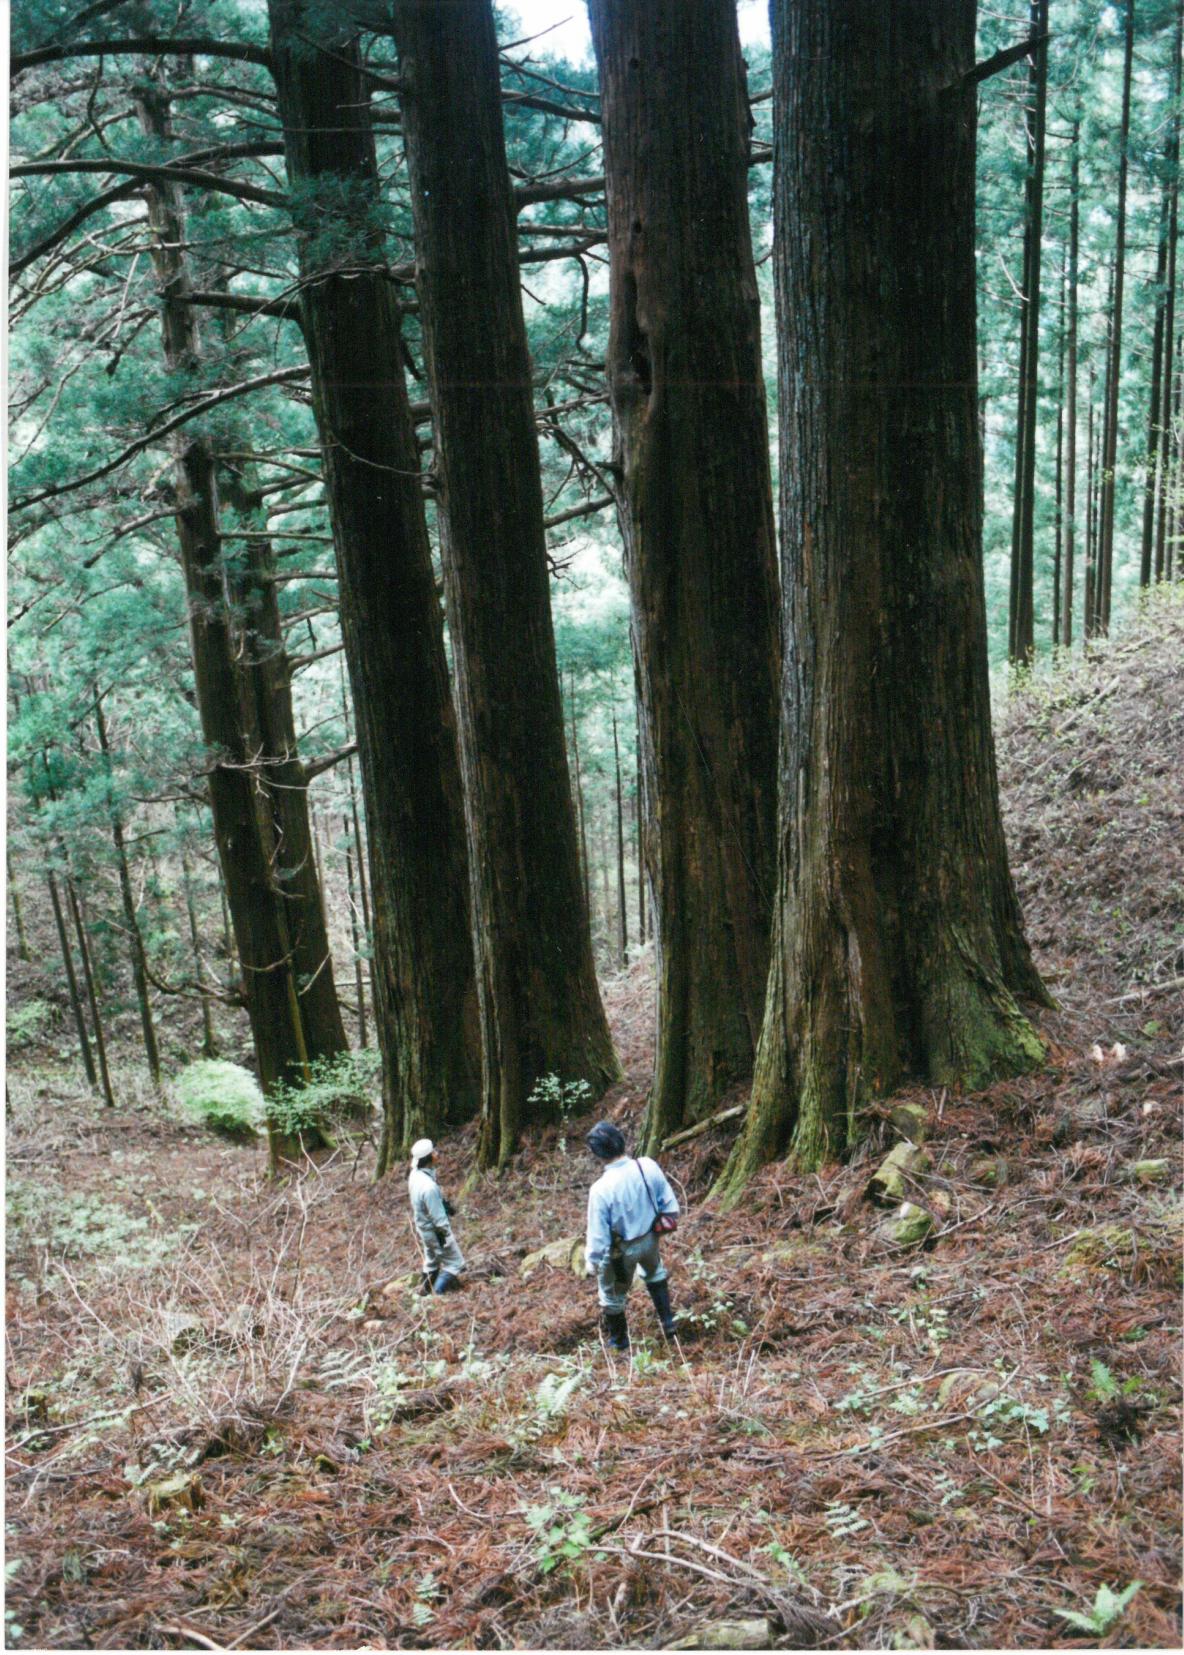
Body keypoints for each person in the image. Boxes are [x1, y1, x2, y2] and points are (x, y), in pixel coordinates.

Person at [584, 1120, 680, 1350]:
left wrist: (592, 1263)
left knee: (611, 1297)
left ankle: (619, 1343)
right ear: (621, 1141)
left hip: (620, 1253)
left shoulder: (600, 1189)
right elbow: (669, 1205)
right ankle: (668, 1322)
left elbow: (598, 1237)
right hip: (650, 1239)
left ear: (598, 1153)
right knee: (654, 1271)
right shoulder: (646, 1165)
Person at [408, 1138, 466, 1294]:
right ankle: (437, 1296)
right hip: (435, 1232)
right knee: (455, 1264)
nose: (437, 1153)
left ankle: (424, 1293)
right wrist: (447, 1236)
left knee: (431, 1262)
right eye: (434, 1151)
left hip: (423, 1229)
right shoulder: (429, 1187)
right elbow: (439, 1219)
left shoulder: (415, 1174)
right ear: (428, 1157)